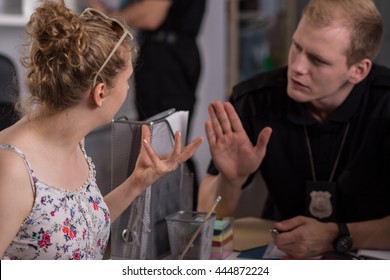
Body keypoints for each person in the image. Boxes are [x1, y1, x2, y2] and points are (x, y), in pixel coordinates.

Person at [0, 0, 203, 260]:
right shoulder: (12, 168)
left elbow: (72, 229)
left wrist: (135, 184)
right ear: (100, 93)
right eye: (126, 80)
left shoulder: (74, 141)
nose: (129, 88)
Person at [197, 0, 390, 259]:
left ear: (358, 71)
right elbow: (206, 217)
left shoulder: (385, 103)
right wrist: (231, 181)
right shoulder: (255, 99)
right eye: (296, 46)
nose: (297, 67)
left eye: (318, 60)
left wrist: (335, 234)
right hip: (283, 253)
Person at [86, 0, 206, 208]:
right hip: (163, 56)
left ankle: (182, 219)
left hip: (169, 62)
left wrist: (109, 15)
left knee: (168, 147)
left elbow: (151, 16)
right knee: (159, 145)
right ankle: (162, 219)